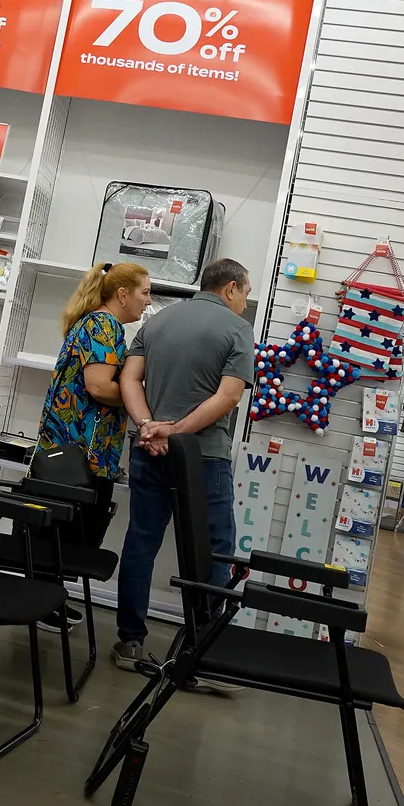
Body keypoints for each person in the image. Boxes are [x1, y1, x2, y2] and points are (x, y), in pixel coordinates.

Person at [112, 258, 253, 674]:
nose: (244, 301)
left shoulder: (156, 322)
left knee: (141, 542)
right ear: (230, 288)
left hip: (147, 450)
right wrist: (176, 433)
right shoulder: (237, 329)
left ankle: (130, 641)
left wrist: (147, 427)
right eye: (244, 292)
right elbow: (228, 397)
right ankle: (200, 651)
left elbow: (129, 380)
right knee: (214, 552)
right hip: (203, 458)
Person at [37, 262, 152, 626]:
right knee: (69, 536)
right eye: (144, 292)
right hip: (79, 453)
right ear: (122, 294)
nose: (148, 303)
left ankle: (47, 599)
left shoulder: (94, 322)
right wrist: (139, 399)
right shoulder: (104, 325)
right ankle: (42, 603)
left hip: (75, 449)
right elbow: (99, 386)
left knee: (64, 534)